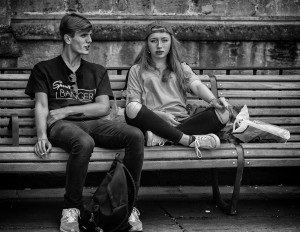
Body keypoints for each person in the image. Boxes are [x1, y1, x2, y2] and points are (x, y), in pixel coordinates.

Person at [25, 13, 144, 232]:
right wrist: (42, 136)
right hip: (60, 127)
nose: (90, 40)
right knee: (84, 142)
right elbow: (41, 106)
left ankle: (128, 206)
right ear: (68, 39)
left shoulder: (97, 71)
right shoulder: (44, 69)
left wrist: (66, 110)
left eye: (90, 35)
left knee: (135, 135)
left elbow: (102, 107)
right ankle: (71, 209)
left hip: (92, 123)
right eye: (84, 35)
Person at [125, 21, 230, 157]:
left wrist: (213, 100)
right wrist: (158, 115)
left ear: (171, 43)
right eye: (154, 41)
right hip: (152, 121)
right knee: (131, 108)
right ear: (147, 45)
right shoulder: (137, 70)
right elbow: (135, 103)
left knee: (223, 113)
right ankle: (187, 139)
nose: (159, 45)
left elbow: (197, 86)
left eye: (164, 40)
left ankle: (162, 138)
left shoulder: (181, 68)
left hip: (181, 120)